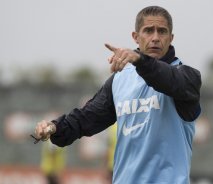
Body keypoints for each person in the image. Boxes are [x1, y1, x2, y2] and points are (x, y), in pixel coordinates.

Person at [34, 5, 201, 184]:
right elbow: (85, 119)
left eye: (162, 31)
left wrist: (139, 60)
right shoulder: (120, 80)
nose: (155, 38)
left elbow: (166, 78)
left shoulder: (186, 78)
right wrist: (55, 127)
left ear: (171, 38)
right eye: (148, 31)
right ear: (136, 37)